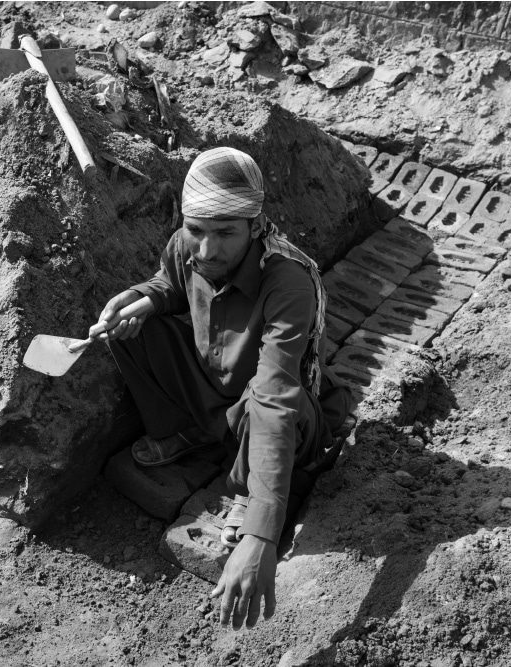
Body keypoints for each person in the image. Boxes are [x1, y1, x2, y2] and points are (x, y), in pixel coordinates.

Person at [89, 147, 353, 630]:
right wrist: (142, 299)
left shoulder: (288, 280)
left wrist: (261, 537)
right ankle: (194, 433)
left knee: (266, 405)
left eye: (226, 233)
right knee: (132, 329)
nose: (207, 250)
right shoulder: (186, 244)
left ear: (255, 225)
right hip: (215, 388)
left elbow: (275, 400)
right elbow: (169, 283)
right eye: (196, 230)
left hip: (279, 412)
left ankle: (248, 487)